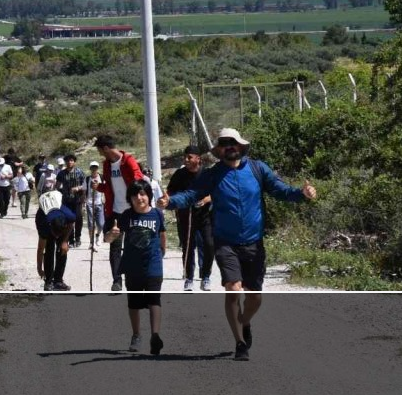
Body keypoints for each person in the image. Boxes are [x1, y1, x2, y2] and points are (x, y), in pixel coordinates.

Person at [158, 128, 317, 361]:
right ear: (219, 149)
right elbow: (191, 195)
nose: (229, 146)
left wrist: (302, 194)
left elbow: (280, 190)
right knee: (233, 289)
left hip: (254, 242)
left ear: (241, 146)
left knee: (255, 298)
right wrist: (170, 202)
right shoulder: (212, 175)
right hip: (226, 243)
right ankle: (240, 343)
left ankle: (244, 322)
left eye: (233, 143)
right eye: (224, 143)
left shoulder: (257, 169)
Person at [106, 179, 166, 356]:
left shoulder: (157, 214)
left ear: (149, 195)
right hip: (132, 265)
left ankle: (155, 336)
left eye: (143, 194)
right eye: (135, 195)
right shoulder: (126, 216)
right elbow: (109, 240)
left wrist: (162, 252)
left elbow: (162, 234)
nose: (139, 198)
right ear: (130, 198)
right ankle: (136, 335)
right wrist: (111, 234)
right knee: (134, 302)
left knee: (154, 299)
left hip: (153, 264)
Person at [94, 135, 144, 291]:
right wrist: (99, 187)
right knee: (114, 248)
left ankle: (133, 278)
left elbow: (139, 180)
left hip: (131, 211)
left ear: (106, 148)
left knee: (132, 246)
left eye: (100, 150)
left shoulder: (128, 160)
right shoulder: (106, 165)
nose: (100, 154)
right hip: (115, 212)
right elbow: (109, 186)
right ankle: (117, 281)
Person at [167, 145, 216, 292]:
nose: (186, 160)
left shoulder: (207, 174)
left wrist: (207, 199)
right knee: (188, 248)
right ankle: (188, 278)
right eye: (185, 157)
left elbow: (216, 191)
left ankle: (206, 276)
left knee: (209, 245)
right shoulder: (179, 174)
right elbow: (170, 191)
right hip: (185, 216)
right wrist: (173, 201)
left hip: (205, 216)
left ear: (198, 159)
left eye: (189, 157)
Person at [35, 190, 75, 291]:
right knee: (49, 250)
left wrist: (65, 241)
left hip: (58, 210)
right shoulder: (42, 222)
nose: (57, 236)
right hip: (46, 215)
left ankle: (58, 281)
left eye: (59, 234)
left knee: (63, 250)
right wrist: (39, 269)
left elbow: (71, 225)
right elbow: (40, 249)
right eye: (55, 234)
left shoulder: (68, 216)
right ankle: (48, 282)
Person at [55, 154, 86, 247]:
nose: (69, 162)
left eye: (71, 160)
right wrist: (61, 192)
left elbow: (84, 186)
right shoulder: (61, 173)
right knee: (69, 219)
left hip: (78, 199)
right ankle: (70, 239)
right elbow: (57, 186)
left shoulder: (80, 172)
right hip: (66, 200)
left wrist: (78, 188)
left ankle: (78, 238)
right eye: (68, 161)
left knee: (79, 219)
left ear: (74, 162)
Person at [84, 161, 105, 250]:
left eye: (95, 167)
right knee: (91, 224)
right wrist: (83, 201)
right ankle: (91, 243)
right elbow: (84, 189)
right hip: (89, 203)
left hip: (99, 203)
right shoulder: (87, 179)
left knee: (101, 224)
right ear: (90, 168)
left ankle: (97, 235)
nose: (94, 169)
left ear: (97, 168)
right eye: (92, 167)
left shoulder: (102, 177)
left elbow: (105, 188)